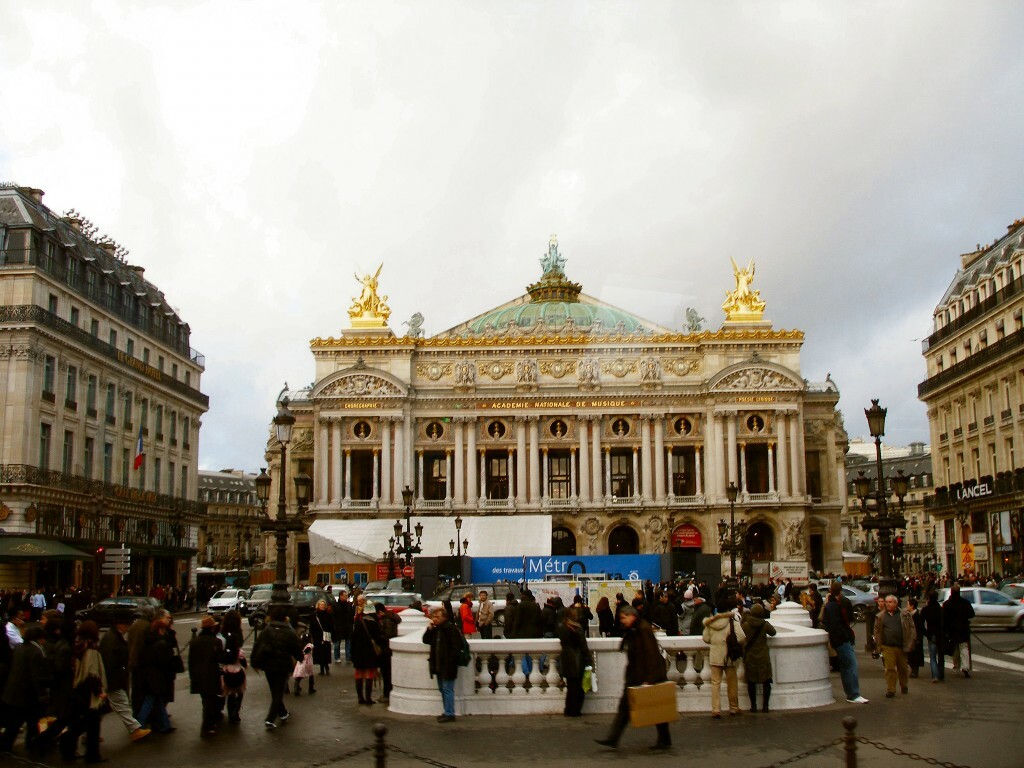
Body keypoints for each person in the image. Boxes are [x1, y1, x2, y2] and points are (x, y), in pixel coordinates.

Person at [595, 605, 672, 750]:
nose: (622, 621)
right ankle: (613, 738)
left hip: (643, 675)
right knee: (628, 708)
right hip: (636, 674)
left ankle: (664, 739)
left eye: (623, 618)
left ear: (632, 616)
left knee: (655, 707)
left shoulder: (642, 629)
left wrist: (650, 679)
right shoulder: (635, 629)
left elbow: (651, 654)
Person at [98, 617, 151, 742]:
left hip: (111, 678)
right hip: (112, 680)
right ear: (119, 624)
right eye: (126, 625)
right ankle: (135, 729)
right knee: (122, 704)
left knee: (101, 707)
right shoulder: (112, 638)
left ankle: (89, 733)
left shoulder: (113, 636)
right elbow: (111, 662)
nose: (128, 628)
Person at [250, 605, 303, 729]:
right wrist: (300, 658)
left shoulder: (267, 630)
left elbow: (257, 645)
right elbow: (296, 648)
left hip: (268, 665)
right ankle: (270, 719)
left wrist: (254, 662)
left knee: (274, 691)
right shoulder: (288, 632)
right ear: (285, 618)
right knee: (278, 692)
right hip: (282, 665)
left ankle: (283, 713)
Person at [0, 625, 49, 757]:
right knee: (23, 720)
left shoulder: (19, 647)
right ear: (39, 638)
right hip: (26, 693)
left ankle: (14, 744)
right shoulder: (36, 652)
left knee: (19, 720)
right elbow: (36, 675)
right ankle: (27, 744)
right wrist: (42, 693)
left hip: (13, 689)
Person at [821, 582, 868, 704]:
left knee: (846, 667)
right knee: (851, 666)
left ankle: (851, 694)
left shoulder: (830, 605)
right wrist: (845, 636)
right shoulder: (835, 605)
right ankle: (854, 694)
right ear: (840, 591)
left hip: (838, 640)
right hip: (842, 640)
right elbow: (838, 625)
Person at [703, 595, 746, 718]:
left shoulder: (710, 623)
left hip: (715, 656)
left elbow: (706, 638)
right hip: (729, 656)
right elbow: (741, 637)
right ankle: (733, 707)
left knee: (715, 683)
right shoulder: (732, 621)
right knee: (732, 683)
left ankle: (716, 709)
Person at [135, 615, 177, 734]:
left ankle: (165, 725)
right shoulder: (160, 643)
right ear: (160, 630)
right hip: (156, 677)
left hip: (147, 676)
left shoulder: (147, 642)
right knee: (150, 701)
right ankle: (139, 726)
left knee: (157, 701)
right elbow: (165, 662)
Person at [423, 606, 462, 722]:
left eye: (437, 617)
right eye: (434, 617)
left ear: (444, 617)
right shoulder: (436, 629)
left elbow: (456, 647)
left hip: (448, 665)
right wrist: (429, 629)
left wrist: (450, 661)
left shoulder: (451, 629)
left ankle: (450, 713)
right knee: (442, 689)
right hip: (438, 665)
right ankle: (447, 711)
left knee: (447, 689)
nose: (435, 619)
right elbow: (426, 640)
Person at [872, 594, 915, 698]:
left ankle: (904, 684)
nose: (887, 604)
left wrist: (910, 642)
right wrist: (878, 644)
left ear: (896, 603)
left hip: (901, 646)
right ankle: (891, 689)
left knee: (903, 668)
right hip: (887, 646)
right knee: (890, 668)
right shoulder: (881, 616)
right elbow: (877, 630)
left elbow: (911, 628)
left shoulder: (904, 614)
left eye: (890, 602)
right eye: (886, 602)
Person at [189, 615, 224, 737]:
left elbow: (191, 662)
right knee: (210, 702)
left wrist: (192, 676)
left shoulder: (194, 642)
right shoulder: (216, 642)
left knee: (206, 701)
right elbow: (220, 658)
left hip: (198, 675)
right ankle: (207, 727)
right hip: (212, 675)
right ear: (212, 628)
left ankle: (210, 724)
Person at [741, 603, 776, 712]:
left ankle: (753, 706)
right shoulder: (764, 624)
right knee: (766, 681)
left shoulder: (745, 625)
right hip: (763, 656)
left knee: (751, 682)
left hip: (750, 656)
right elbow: (773, 632)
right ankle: (765, 706)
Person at [557, 605, 591, 717]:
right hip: (577, 659)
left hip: (566, 658)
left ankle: (568, 709)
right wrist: (588, 659)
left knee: (571, 687)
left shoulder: (561, 627)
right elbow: (583, 646)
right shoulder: (577, 628)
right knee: (579, 687)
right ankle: (575, 710)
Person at [351, 595, 382, 705]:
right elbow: (378, 639)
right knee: (369, 675)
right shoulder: (374, 623)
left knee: (359, 675)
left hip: (358, 653)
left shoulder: (358, 622)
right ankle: (368, 698)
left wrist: (352, 654)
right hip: (370, 653)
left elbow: (353, 639)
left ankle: (360, 698)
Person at [942, 584, 975, 678]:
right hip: (963, 629)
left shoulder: (947, 604)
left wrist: (945, 631)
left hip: (951, 630)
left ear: (951, 592)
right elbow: (972, 614)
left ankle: (956, 666)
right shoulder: (965, 602)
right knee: (964, 648)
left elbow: (944, 618)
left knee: (955, 648)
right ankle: (965, 667)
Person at [220, 610, 247, 723]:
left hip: (225, 667)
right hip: (236, 666)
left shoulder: (223, 633)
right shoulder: (237, 635)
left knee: (228, 691)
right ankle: (234, 712)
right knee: (239, 691)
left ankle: (227, 711)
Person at [375, 603, 402, 705]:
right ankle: (386, 693)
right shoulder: (389, 618)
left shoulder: (386, 620)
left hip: (386, 650)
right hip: (388, 650)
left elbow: (388, 635)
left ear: (380, 612)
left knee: (386, 674)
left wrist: (379, 637)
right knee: (386, 673)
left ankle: (387, 694)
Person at [920, 591, 945, 683]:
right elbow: (945, 623)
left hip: (931, 634)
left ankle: (935, 675)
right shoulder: (941, 609)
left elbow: (921, 623)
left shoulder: (925, 609)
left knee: (933, 656)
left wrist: (925, 633)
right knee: (941, 656)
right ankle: (941, 674)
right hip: (940, 634)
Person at [310, 600, 333, 676]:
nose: (323, 606)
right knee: (319, 652)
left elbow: (331, 625)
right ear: (318, 606)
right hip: (317, 636)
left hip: (326, 636)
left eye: (324, 605)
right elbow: (312, 626)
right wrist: (312, 635)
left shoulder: (328, 615)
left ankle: (326, 667)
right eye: (321, 605)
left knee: (326, 652)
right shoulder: (314, 615)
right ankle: (322, 668)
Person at [292, 628, 315, 696]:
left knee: (299, 674)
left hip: (301, 660)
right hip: (308, 661)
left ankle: (297, 687)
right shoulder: (310, 645)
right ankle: (311, 688)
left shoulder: (301, 645)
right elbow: (308, 649)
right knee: (310, 674)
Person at [333, 590, 354, 664]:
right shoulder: (336, 605)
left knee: (348, 642)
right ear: (340, 596)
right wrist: (335, 625)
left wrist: (351, 624)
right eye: (345, 595)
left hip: (347, 627)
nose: (346, 597)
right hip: (339, 627)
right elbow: (334, 616)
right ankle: (337, 657)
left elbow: (351, 615)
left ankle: (348, 657)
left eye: (346, 595)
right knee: (337, 643)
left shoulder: (349, 605)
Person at [907, 597, 925, 678]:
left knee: (914, 655)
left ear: (912, 606)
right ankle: (913, 670)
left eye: (908, 605)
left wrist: (918, 639)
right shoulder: (910, 615)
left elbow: (920, 628)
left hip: (916, 639)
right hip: (911, 638)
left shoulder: (916, 616)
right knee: (910, 655)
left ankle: (915, 671)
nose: (907, 606)